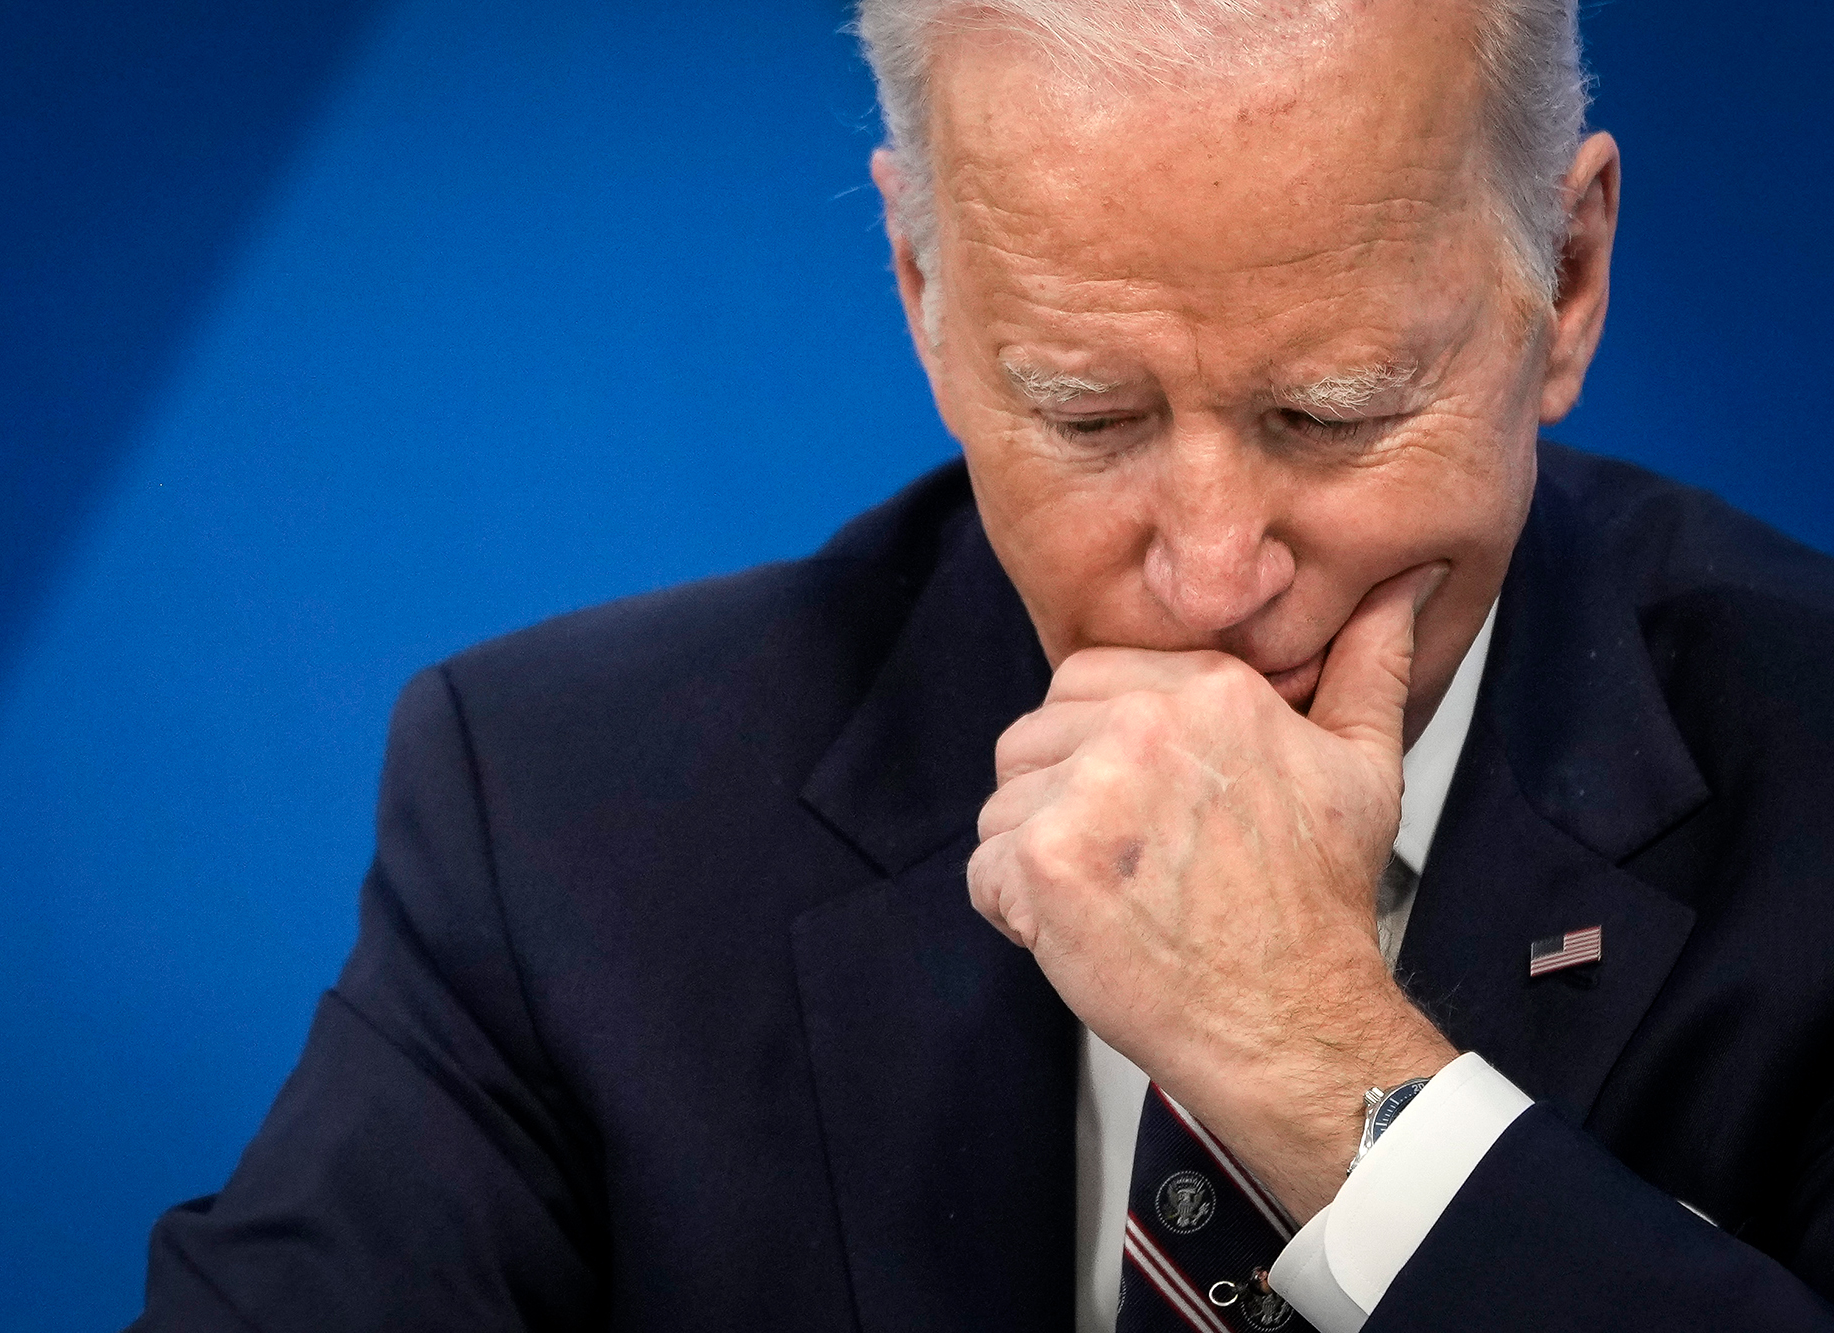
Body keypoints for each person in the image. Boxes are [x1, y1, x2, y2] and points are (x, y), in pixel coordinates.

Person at [130, 2, 1834, 1330]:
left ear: (1574, 276)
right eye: (1087, 414)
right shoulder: (563, 814)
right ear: (927, 296)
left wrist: (1327, 1067)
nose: (1213, 569)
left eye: (1333, 413)